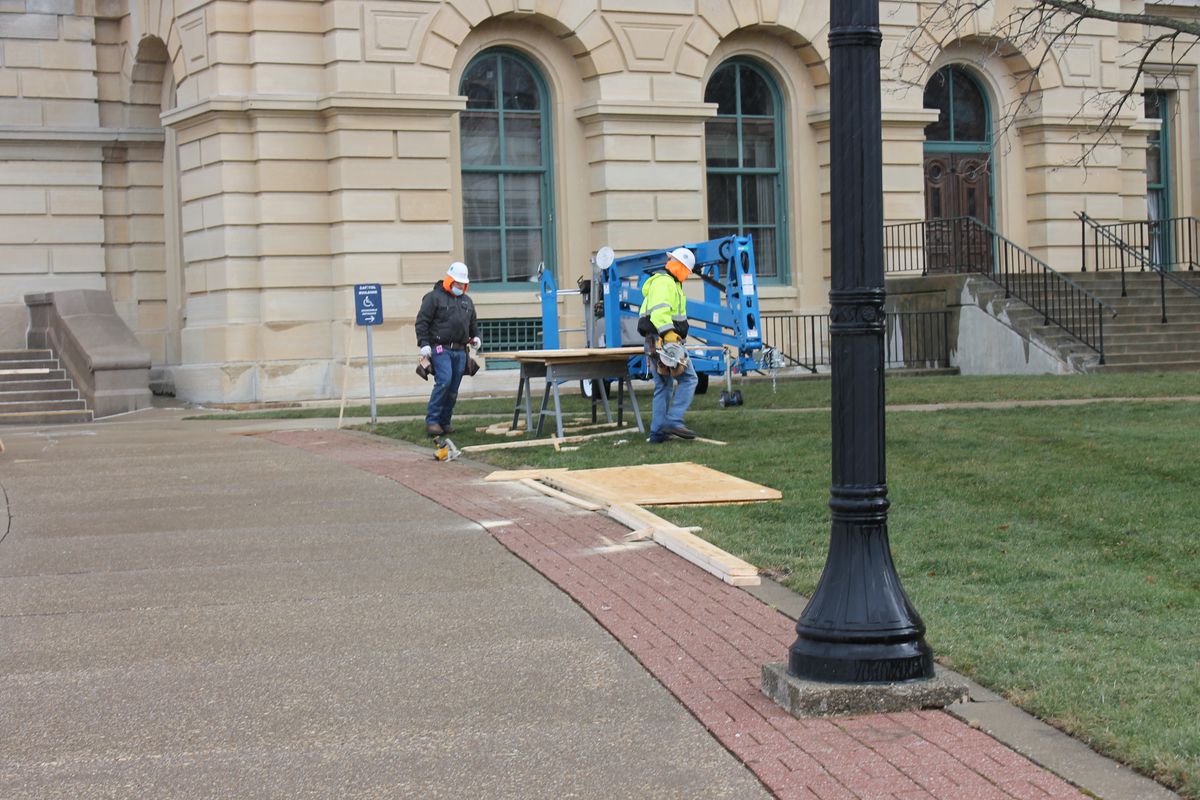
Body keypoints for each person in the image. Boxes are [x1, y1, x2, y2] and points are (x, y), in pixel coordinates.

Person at [639, 246, 698, 444]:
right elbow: (660, 313)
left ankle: (657, 433)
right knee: (689, 379)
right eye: (687, 272)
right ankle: (673, 420)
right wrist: (669, 334)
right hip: (664, 340)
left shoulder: (668, 282)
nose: (687, 276)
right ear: (681, 267)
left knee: (663, 385)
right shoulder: (665, 283)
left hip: (656, 340)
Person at [415, 261, 480, 437]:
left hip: (460, 351)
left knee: (453, 387)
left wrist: (476, 337)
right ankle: (433, 421)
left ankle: (445, 422)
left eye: (463, 283)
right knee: (444, 381)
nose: (460, 286)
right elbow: (422, 322)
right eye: (457, 282)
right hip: (440, 348)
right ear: (449, 280)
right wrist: (424, 344)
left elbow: (472, 323)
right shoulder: (433, 298)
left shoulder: (467, 301)